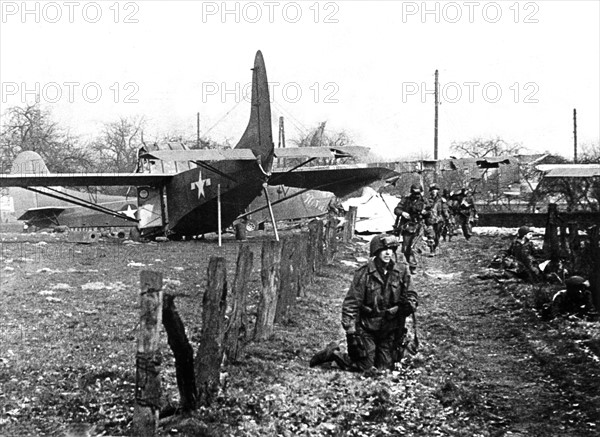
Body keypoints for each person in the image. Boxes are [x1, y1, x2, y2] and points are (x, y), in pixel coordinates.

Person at [309, 234, 418, 371]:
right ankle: (334, 353)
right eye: (384, 250)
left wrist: (409, 304)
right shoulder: (364, 273)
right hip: (367, 328)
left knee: (384, 367)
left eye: (391, 249)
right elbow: (351, 304)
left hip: (389, 329)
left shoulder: (401, 271)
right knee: (365, 366)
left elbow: (412, 294)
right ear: (376, 252)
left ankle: (378, 354)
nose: (388, 253)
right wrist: (351, 333)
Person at [393, 184, 427, 273]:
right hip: (407, 226)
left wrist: (425, 213)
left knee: (413, 247)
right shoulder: (406, 200)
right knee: (405, 247)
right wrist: (403, 213)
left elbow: (430, 212)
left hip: (419, 226)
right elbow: (396, 209)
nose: (416, 195)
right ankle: (408, 263)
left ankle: (413, 266)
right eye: (414, 193)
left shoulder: (424, 201)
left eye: (418, 193)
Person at [423, 183, 448, 255]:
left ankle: (435, 247)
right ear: (430, 191)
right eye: (433, 190)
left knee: (437, 236)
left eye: (436, 190)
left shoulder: (441, 200)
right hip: (430, 220)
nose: (434, 191)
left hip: (439, 220)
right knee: (430, 235)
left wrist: (447, 218)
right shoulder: (427, 200)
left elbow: (445, 210)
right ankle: (432, 250)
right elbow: (424, 209)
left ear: (438, 191)